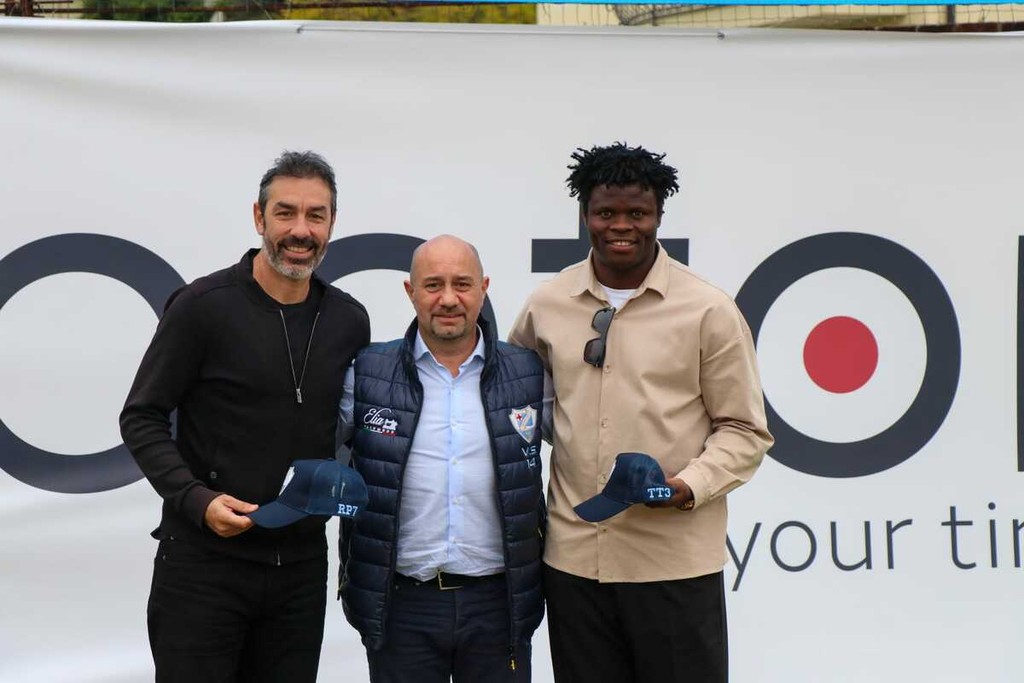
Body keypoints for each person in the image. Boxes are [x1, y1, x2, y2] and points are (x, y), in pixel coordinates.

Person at [507, 142, 774, 683]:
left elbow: (745, 430)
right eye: (606, 212)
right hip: (574, 565)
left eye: (638, 213)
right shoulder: (546, 305)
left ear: (659, 216)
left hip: (673, 566)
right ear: (585, 215)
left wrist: (687, 486)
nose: (621, 226)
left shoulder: (708, 310)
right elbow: (512, 405)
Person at [119, 150, 370, 682]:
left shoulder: (349, 319)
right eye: (285, 213)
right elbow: (141, 417)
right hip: (203, 567)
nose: (300, 230)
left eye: (316, 215)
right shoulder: (202, 305)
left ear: (332, 224)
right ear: (259, 218)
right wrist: (197, 500)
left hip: (300, 571)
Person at [337, 234, 545, 683]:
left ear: (483, 289)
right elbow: (312, 446)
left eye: (462, 284)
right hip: (401, 606)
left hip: (498, 606)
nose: (448, 299)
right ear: (410, 292)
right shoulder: (367, 372)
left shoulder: (527, 372)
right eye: (433, 285)